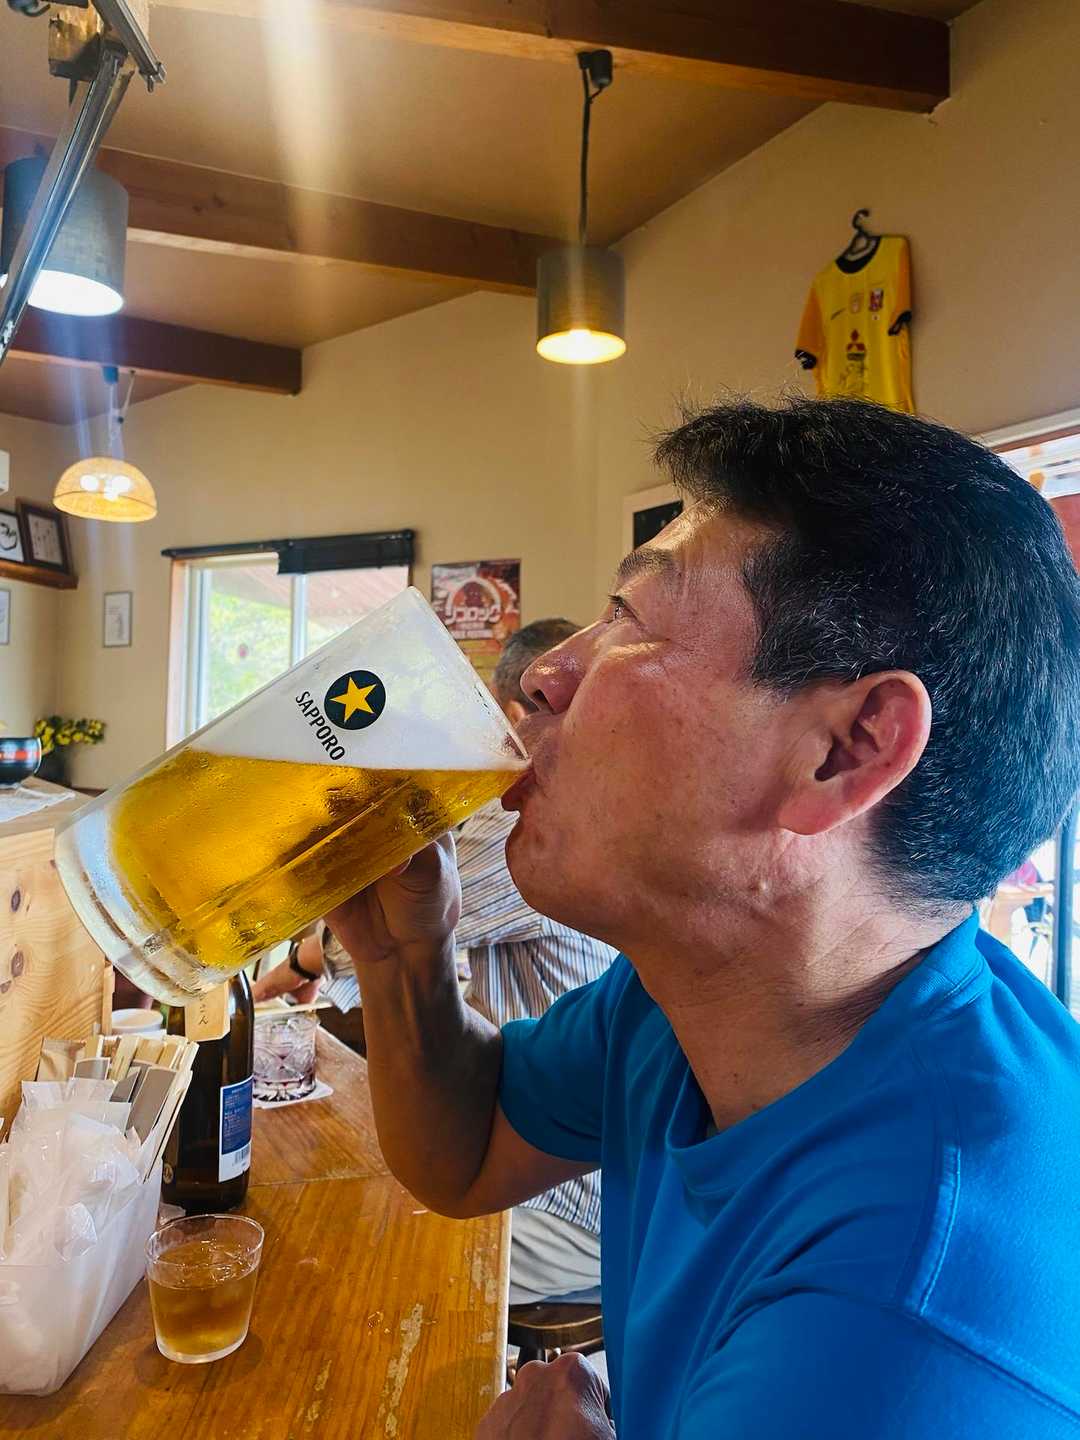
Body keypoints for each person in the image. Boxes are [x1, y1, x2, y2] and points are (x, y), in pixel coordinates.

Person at [326, 398, 1080, 1438]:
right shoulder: (691, 994)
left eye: (630, 618)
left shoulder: (900, 1337)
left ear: (847, 750)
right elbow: (467, 1152)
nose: (544, 674)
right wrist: (405, 953)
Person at [254, 619, 617, 1306]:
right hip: (539, 1154)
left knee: (330, 1262)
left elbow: (408, 909)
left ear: (510, 718)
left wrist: (303, 964)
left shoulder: (535, 826)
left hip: (573, 1204)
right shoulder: (620, 1007)